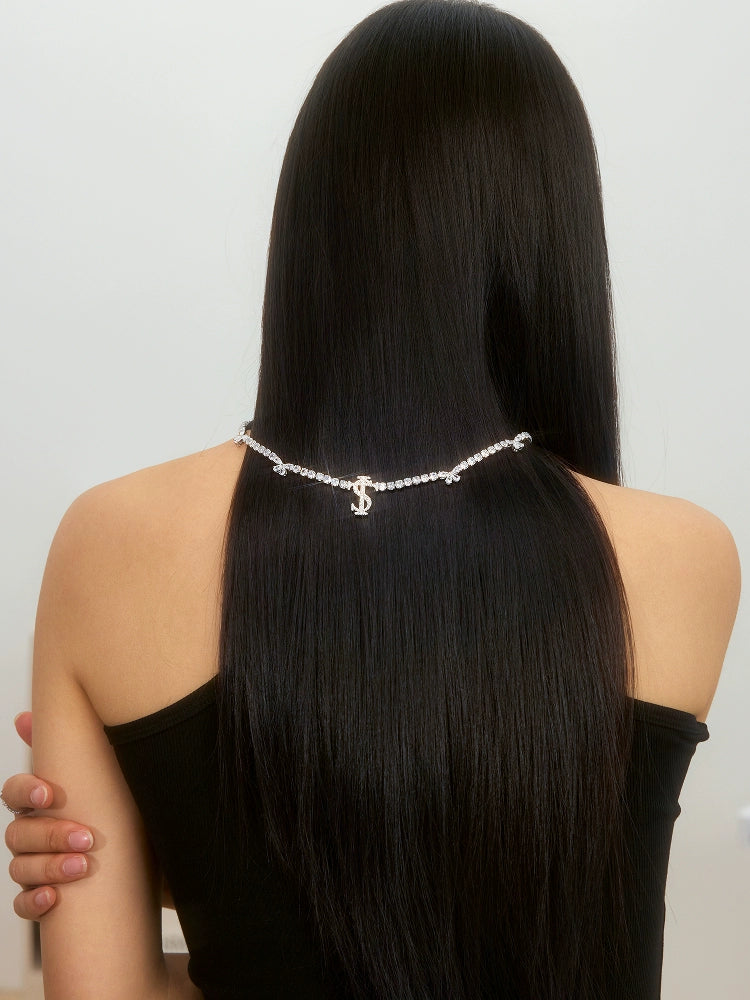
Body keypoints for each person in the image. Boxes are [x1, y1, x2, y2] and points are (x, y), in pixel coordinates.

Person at [2, 1, 741, 997]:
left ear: (310, 226)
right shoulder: (683, 558)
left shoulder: (113, 542)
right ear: (555, 242)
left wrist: (169, 874)